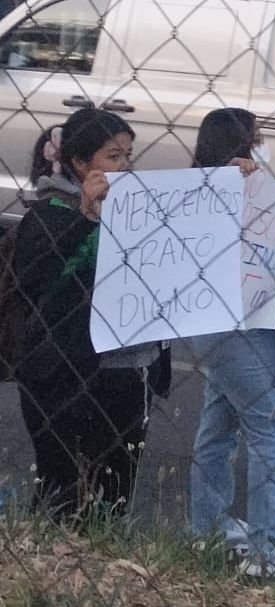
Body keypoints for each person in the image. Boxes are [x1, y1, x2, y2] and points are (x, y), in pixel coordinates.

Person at [14, 109, 169, 518]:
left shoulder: (141, 206)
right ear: (80, 163)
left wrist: (236, 178)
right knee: (62, 488)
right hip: (64, 372)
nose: (125, 166)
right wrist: (85, 217)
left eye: (128, 156)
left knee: (116, 487)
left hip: (130, 365)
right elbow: (37, 278)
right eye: (113, 156)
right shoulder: (50, 212)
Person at [188, 108, 275, 576]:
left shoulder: (251, 184)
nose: (261, 147)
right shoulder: (215, 190)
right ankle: (268, 551)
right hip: (237, 326)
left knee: (220, 423)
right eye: (255, 139)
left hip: (232, 324)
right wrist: (233, 184)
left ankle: (208, 527)